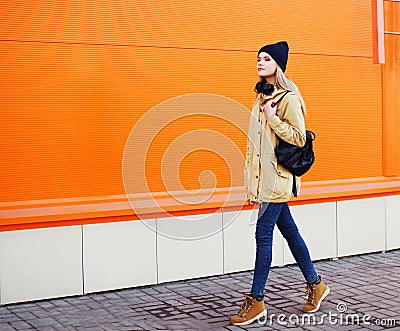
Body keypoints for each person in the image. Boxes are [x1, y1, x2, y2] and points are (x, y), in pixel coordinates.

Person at [230, 41, 330, 326]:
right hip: (265, 180)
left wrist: (273, 119)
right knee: (290, 232)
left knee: (263, 234)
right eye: (258, 58)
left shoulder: (288, 98)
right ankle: (316, 284)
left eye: (266, 59)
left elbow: (299, 138)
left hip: (277, 180)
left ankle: (257, 300)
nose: (260, 62)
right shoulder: (261, 96)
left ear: (278, 64)